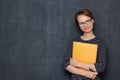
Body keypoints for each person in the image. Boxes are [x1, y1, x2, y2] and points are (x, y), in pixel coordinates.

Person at [63, 9, 107, 80]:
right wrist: (87, 74)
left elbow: (100, 67)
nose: (85, 25)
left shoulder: (100, 43)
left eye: (87, 21)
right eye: (81, 23)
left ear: (92, 21)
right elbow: (66, 64)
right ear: (78, 25)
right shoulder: (74, 41)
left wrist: (77, 64)